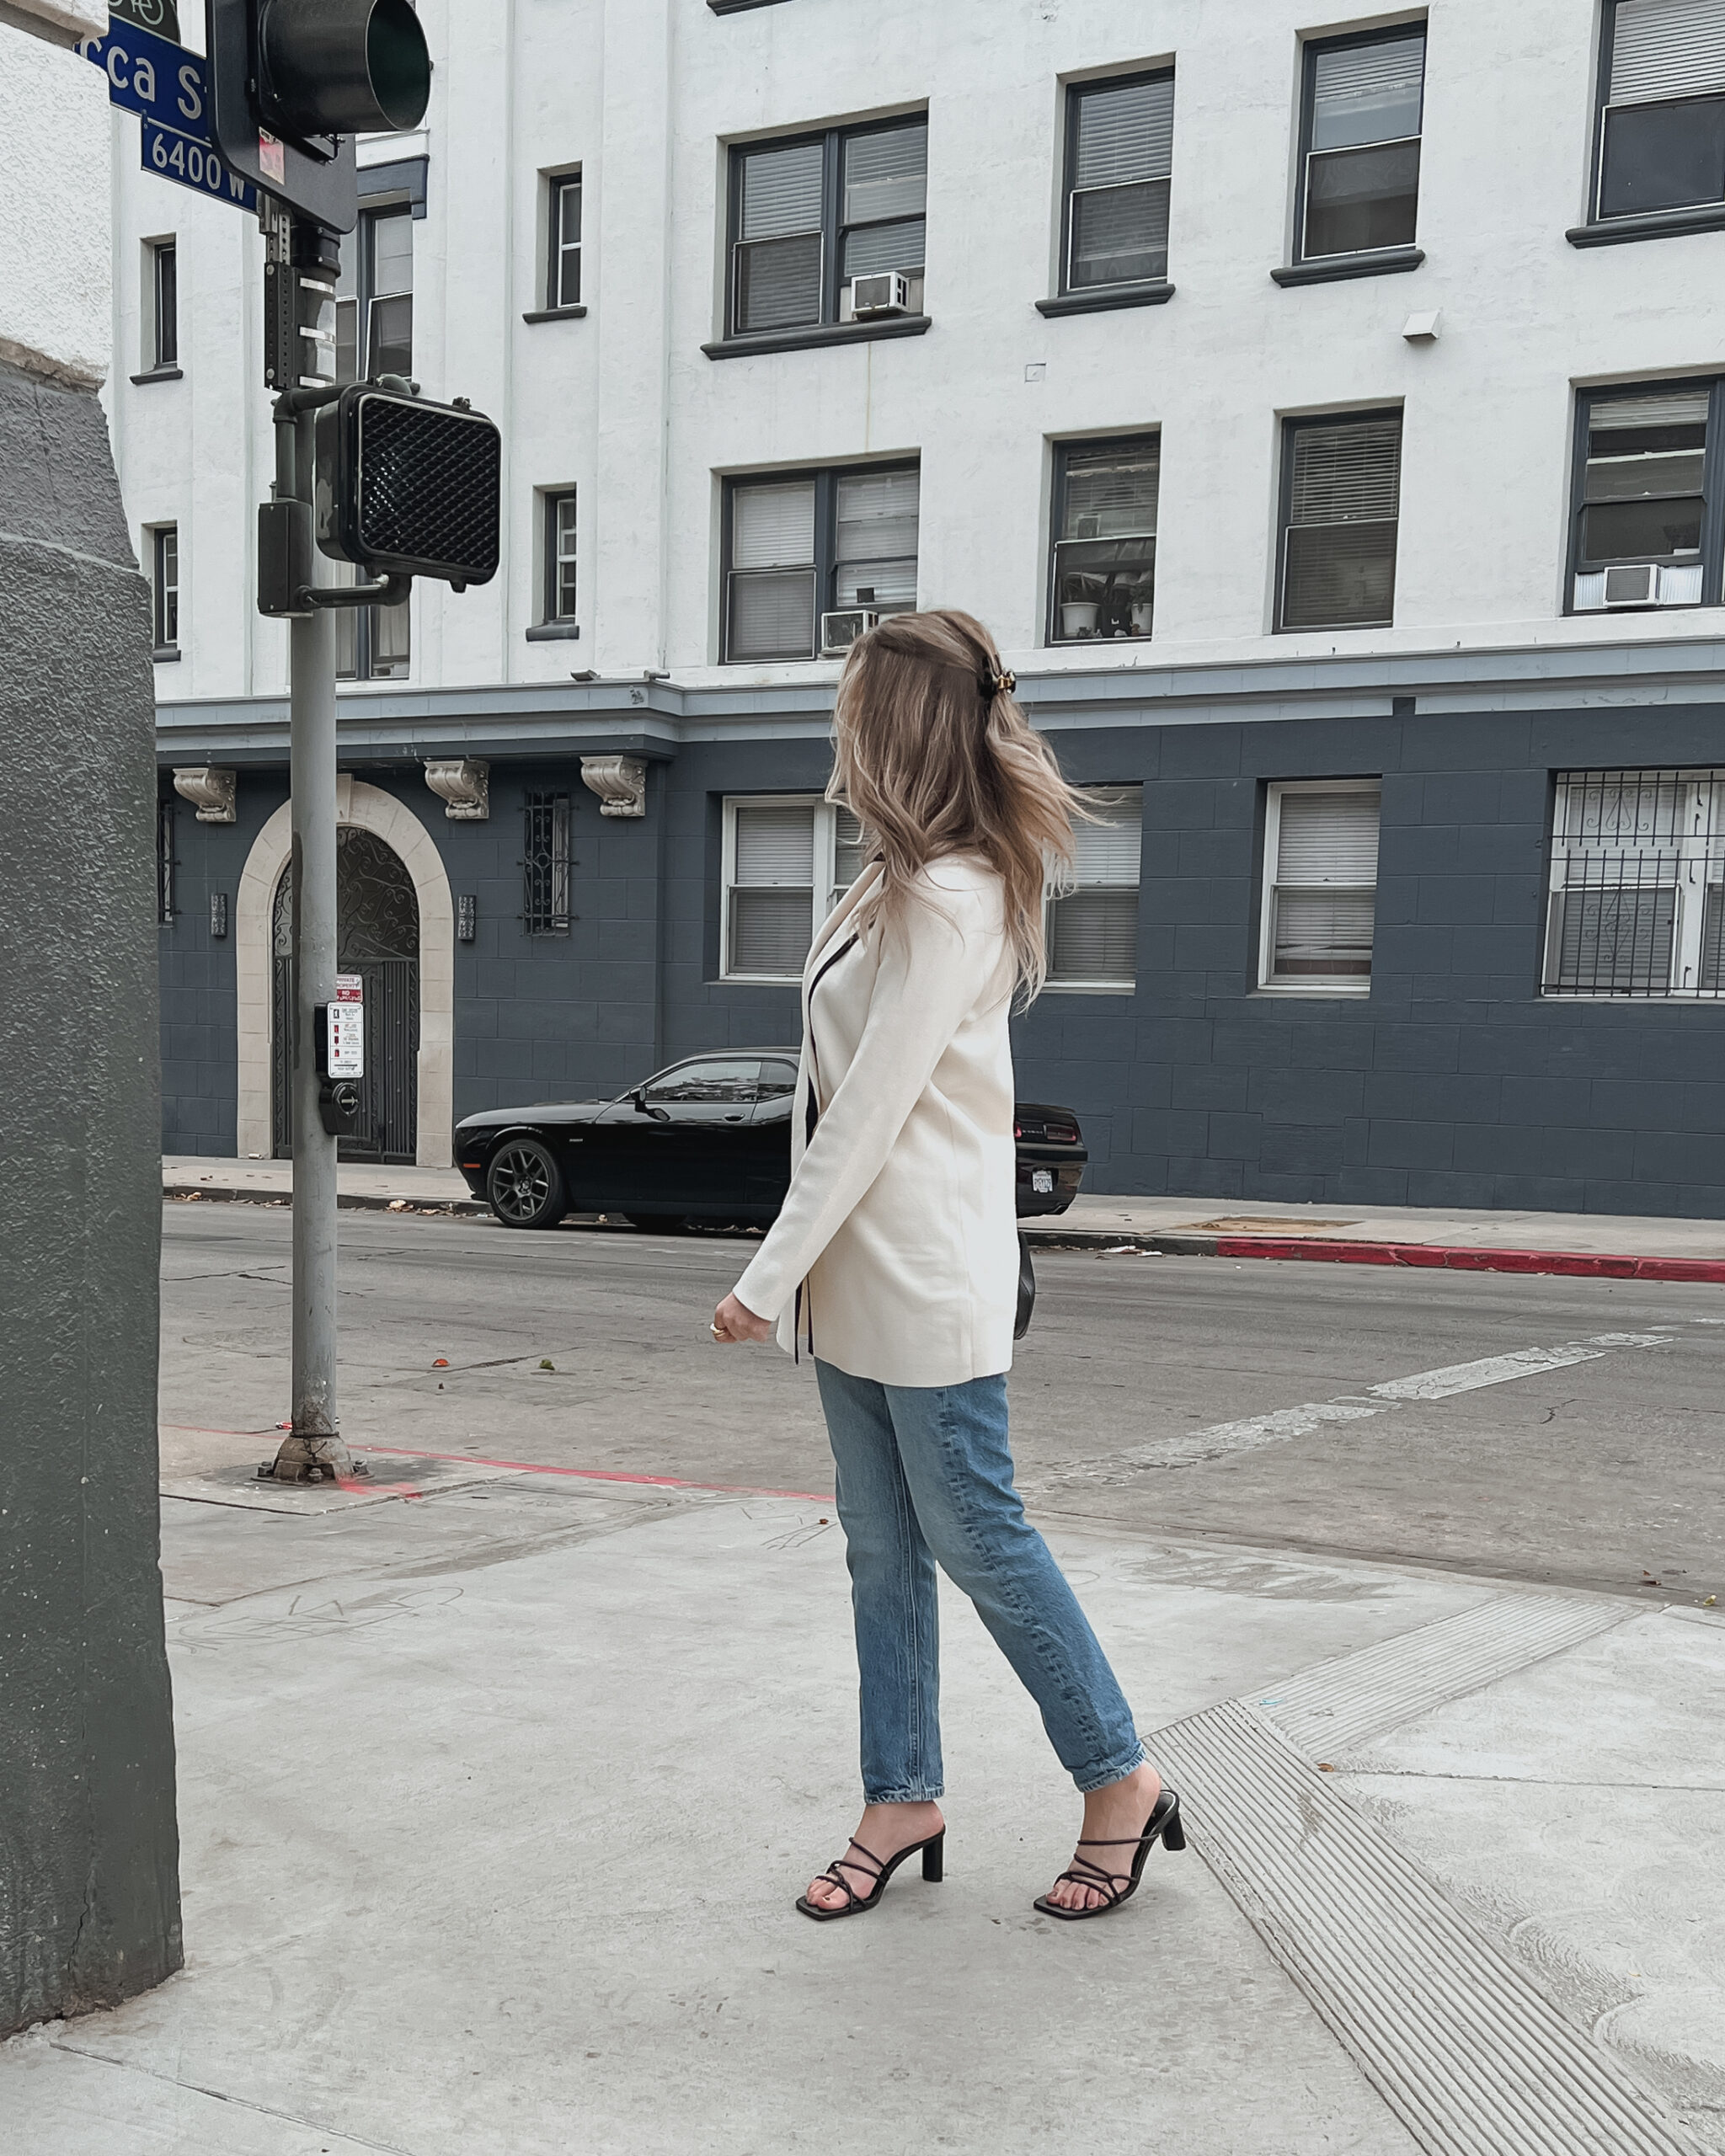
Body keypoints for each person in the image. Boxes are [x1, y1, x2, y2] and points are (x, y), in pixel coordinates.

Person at [710, 608, 1181, 1923]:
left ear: (896, 728)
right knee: (879, 1550)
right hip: (854, 1285)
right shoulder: (887, 880)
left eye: (854, 710)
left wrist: (762, 1271)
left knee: (981, 1536)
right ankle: (902, 1795)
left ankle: (1117, 1779)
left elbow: (868, 1103)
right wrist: (801, 1276)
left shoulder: (954, 894)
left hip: (924, 1277)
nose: (838, 735)